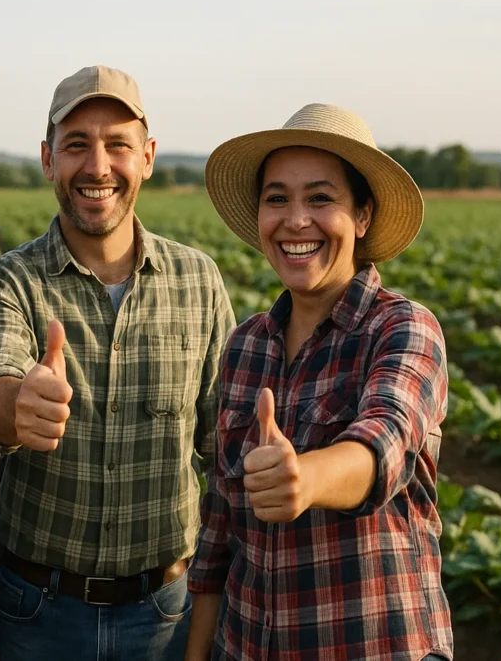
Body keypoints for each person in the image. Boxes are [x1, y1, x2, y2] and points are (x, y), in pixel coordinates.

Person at [0, 65, 235, 660]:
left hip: (167, 612)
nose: (97, 165)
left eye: (118, 144)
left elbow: (224, 452)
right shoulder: (7, 281)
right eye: (76, 145)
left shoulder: (199, 281)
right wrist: (19, 404)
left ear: (148, 156)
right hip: (36, 612)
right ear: (47, 159)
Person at [185, 104, 453, 661]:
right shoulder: (245, 345)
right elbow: (216, 540)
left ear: (362, 216)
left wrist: (302, 479)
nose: (296, 220)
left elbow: (386, 441)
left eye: (321, 198)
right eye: (277, 198)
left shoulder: (402, 328)